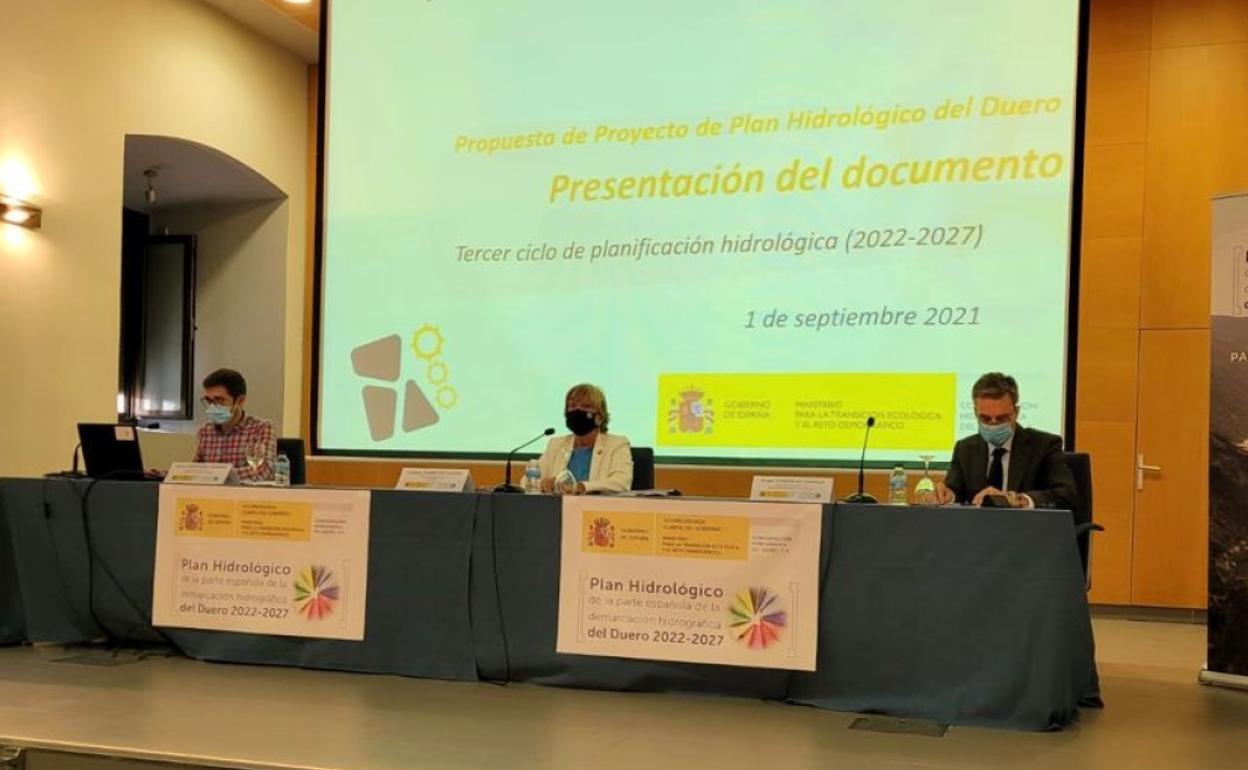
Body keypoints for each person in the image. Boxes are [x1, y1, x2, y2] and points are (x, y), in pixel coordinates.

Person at [935, 372, 1076, 509]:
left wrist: (1018, 500)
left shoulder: (1044, 446)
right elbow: (955, 491)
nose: (993, 424)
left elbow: (1067, 496)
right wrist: (947, 496)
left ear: (1016, 412)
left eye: (1002, 418)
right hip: (976, 525)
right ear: (975, 413)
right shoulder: (965, 449)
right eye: (985, 418)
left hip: (1024, 524)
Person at [539, 383, 633, 494]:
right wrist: (543, 483)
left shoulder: (617, 444)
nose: (578, 410)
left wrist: (583, 487)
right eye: (572, 406)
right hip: (558, 504)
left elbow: (621, 482)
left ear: (600, 417)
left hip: (596, 505)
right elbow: (527, 481)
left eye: (586, 406)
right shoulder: (556, 444)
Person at [192, 368, 276, 483]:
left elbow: (264, 471)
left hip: (245, 494)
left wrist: (217, 476)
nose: (212, 407)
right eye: (209, 401)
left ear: (240, 401)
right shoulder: (205, 431)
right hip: (210, 494)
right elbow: (194, 472)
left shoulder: (262, 428)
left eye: (219, 400)